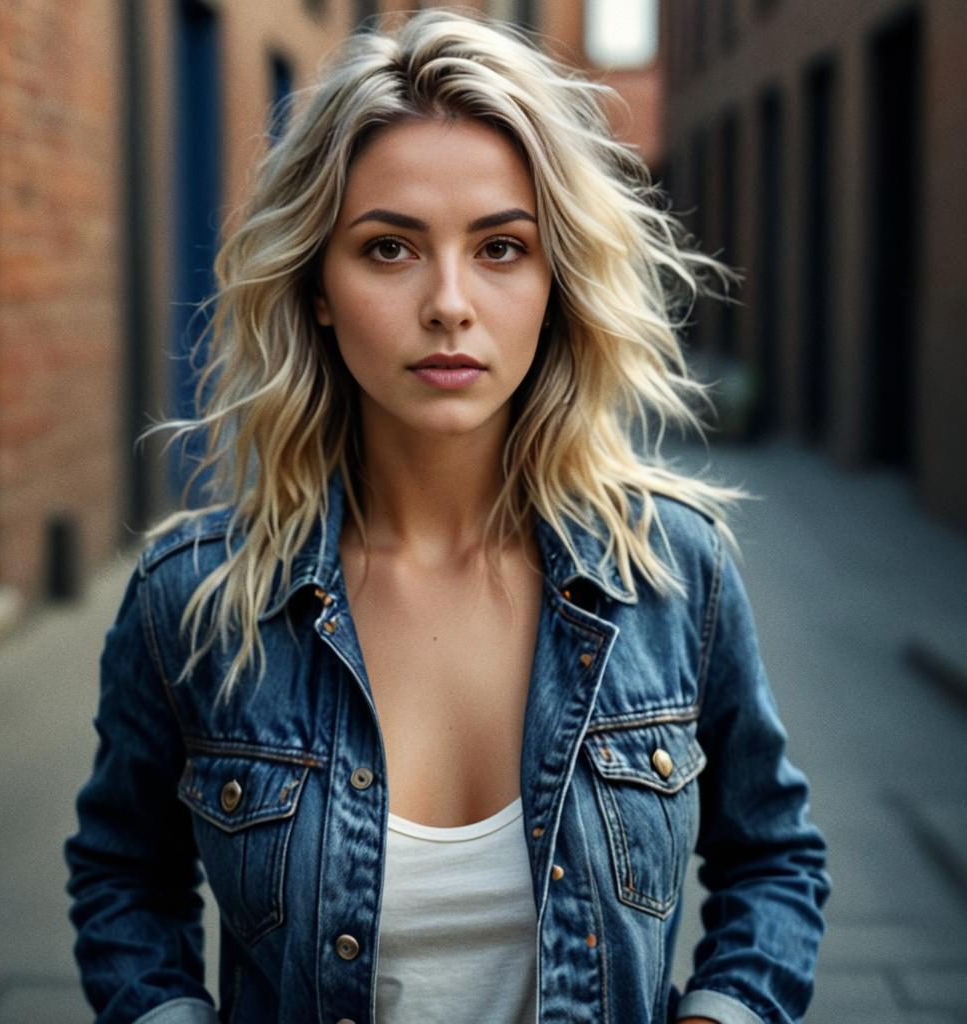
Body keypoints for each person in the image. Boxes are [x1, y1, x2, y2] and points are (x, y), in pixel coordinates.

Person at [65, 8, 830, 1023]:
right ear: (319, 285)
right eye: (389, 249)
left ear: (556, 280)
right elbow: (123, 875)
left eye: (502, 248)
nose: (449, 303)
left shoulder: (672, 575)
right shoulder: (195, 602)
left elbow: (772, 857)